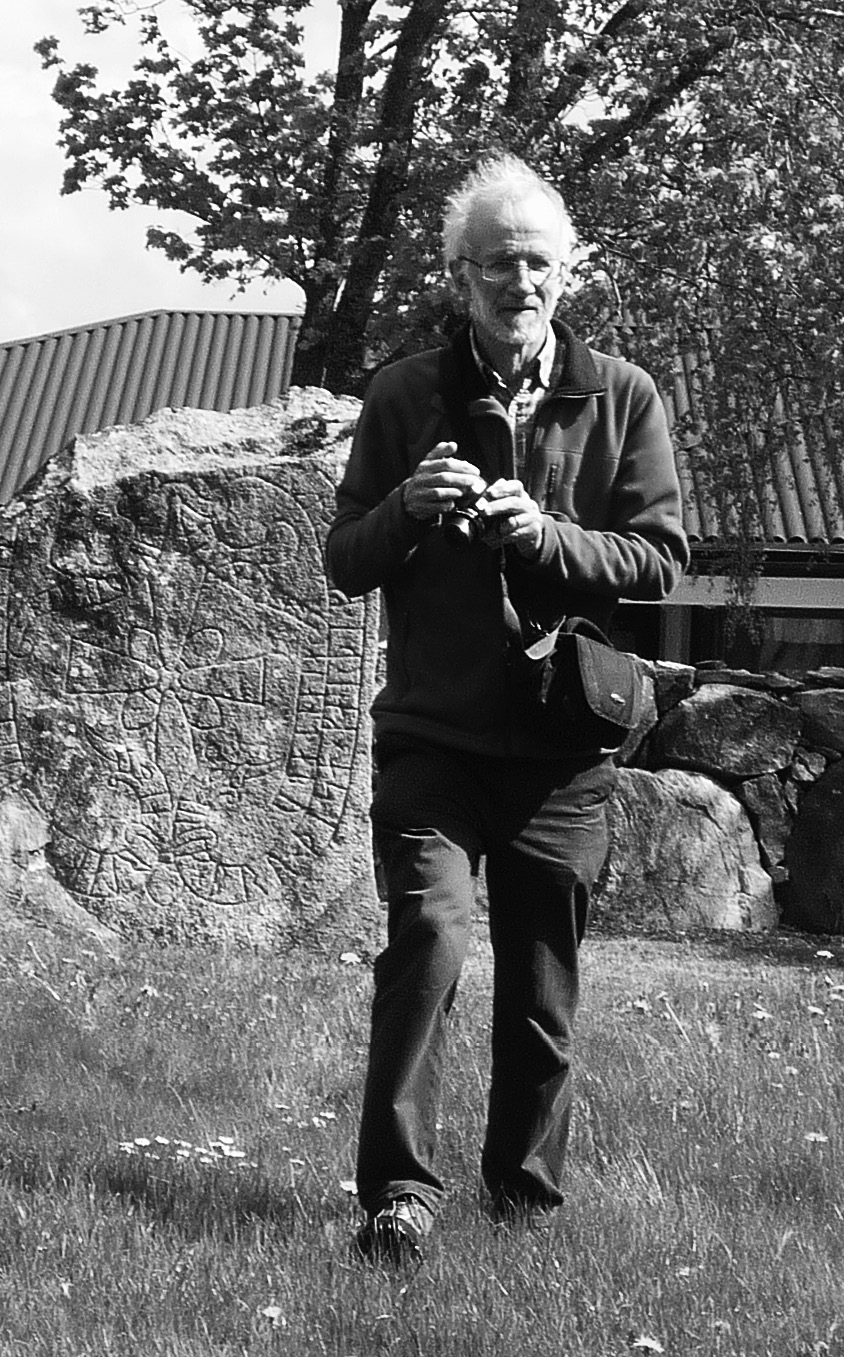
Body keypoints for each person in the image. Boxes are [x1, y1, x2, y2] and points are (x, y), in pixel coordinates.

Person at [325, 153, 689, 1263]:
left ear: (565, 272)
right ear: (458, 277)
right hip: (432, 735)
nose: (519, 282)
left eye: (537, 263)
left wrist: (545, 537)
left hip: (562, 745)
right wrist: (406, 506)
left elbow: (659, 558)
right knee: (428, 938)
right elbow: (344, 559)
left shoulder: (621, 395)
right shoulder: (402, 394)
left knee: (540, 984)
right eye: (496, 264)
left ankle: (522, 1201)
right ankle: (398, 1195)